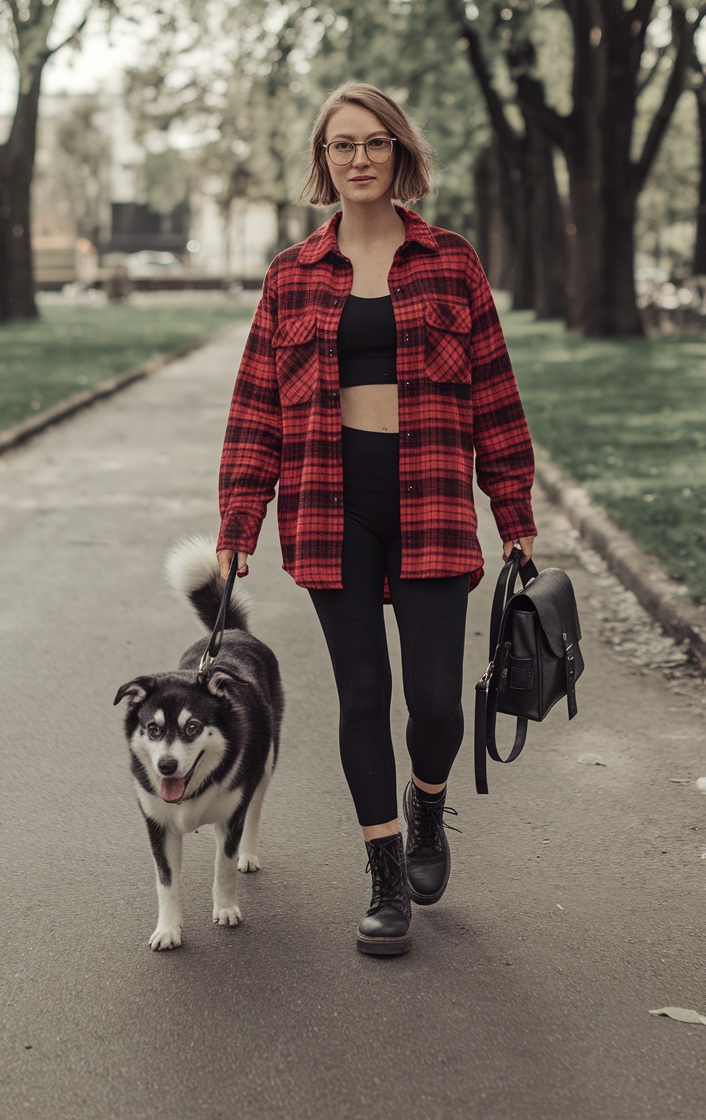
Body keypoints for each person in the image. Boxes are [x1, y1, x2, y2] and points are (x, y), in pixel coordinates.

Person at [217, 81, 536, 956]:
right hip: (329, 505)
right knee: (364, 693)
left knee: (434, 702)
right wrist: (240, 517)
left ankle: (427, 804)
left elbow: (496, 390)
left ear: (400, 153)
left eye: (374, 143)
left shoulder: (450, 260)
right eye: (340, 146)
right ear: (323, 161)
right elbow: (256, 405)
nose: (358, 159)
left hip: (431, 494)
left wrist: (512, 504)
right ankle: (385, 877)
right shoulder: (292, 273)